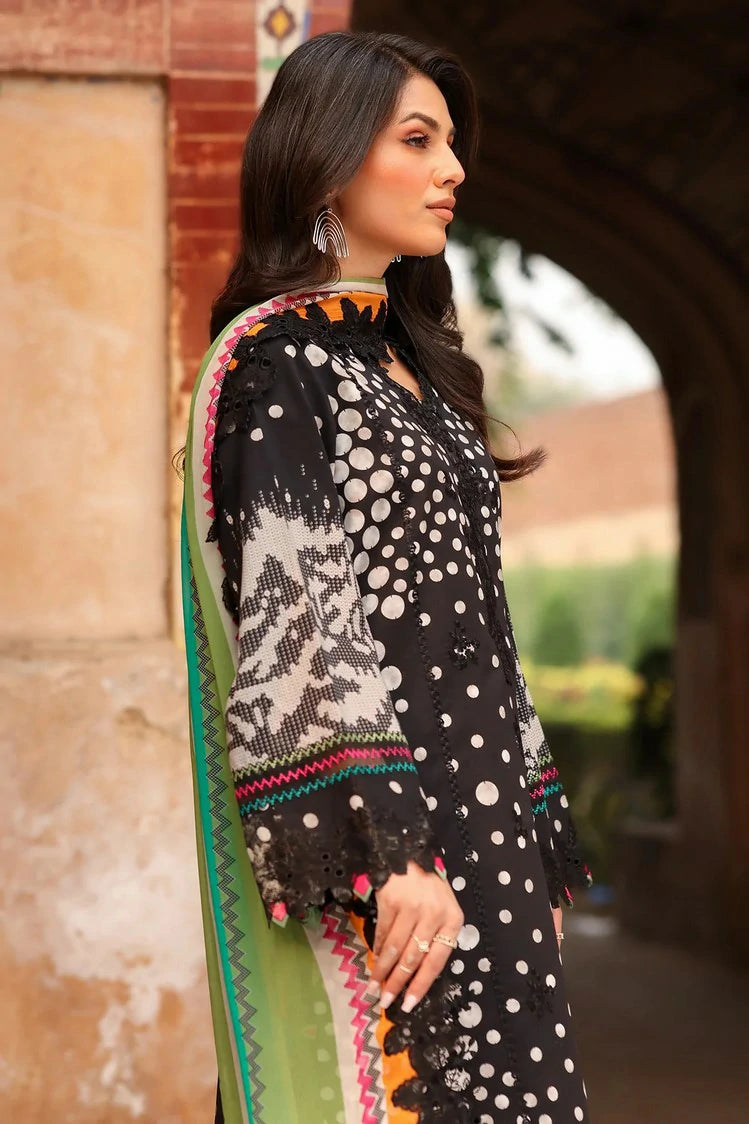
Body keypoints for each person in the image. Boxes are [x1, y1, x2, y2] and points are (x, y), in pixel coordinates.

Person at [178, 28, 594, 1124]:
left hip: (481, 833)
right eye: (418, 140)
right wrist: (389, 857)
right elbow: (297, 620)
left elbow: (479, 629)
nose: (451, 169)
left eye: (449, 143)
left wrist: (533, 837)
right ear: (326, 159)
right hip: (390, 859)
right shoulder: (275, 364)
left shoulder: (411, 366)